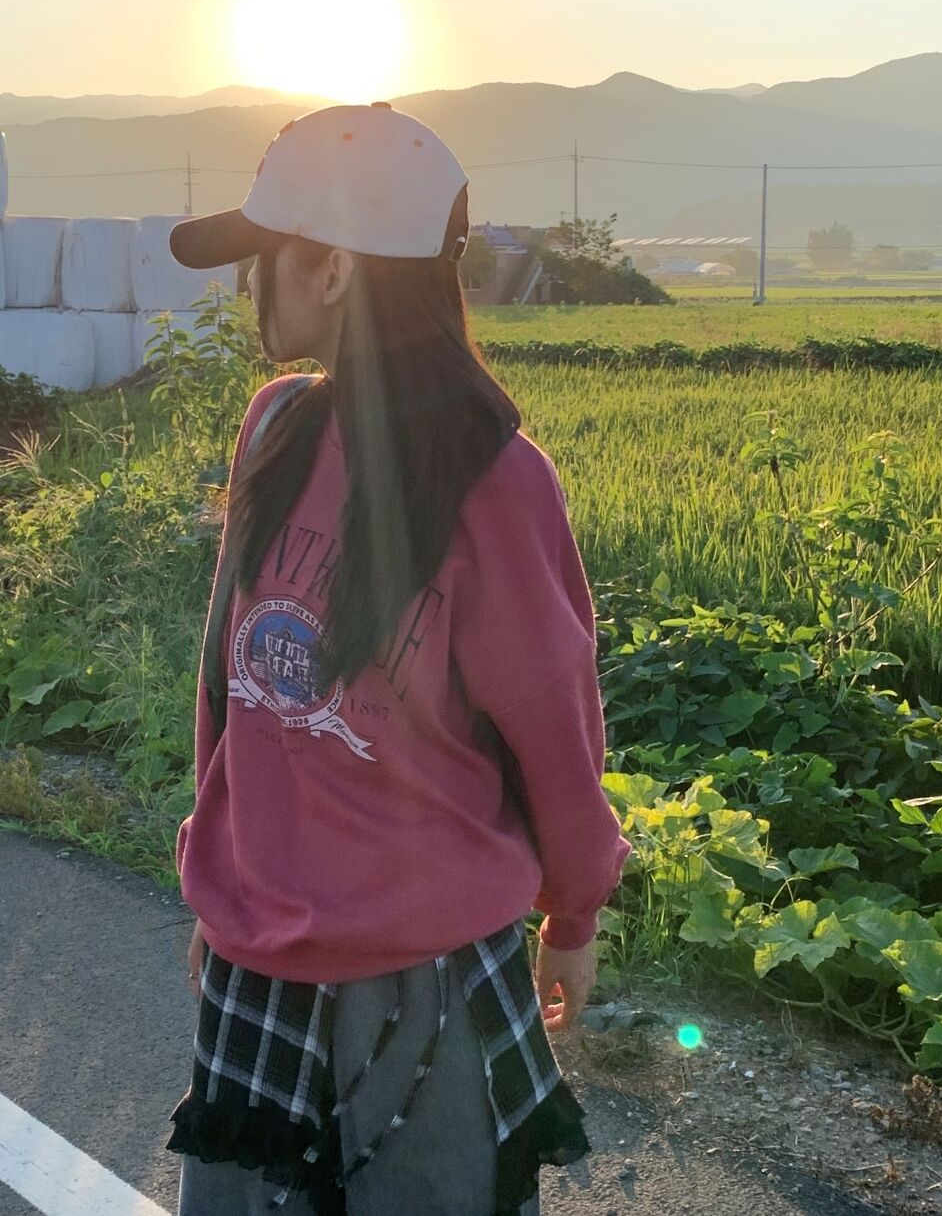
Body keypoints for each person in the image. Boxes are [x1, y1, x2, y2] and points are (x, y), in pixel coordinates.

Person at [163, 101, 632, 1216]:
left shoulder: (496, 479)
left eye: (265, 255)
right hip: (258, 953)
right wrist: (217, 877)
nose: (249, 285)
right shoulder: (276, 426)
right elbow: (230, 679)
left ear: (331, 269)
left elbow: (555, 723)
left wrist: (574, 915)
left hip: (426, 980)